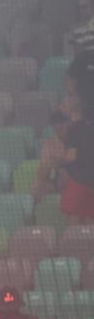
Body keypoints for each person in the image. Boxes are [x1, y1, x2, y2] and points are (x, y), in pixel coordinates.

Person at [55, 52, 94, 221]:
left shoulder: (77, 130)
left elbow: (72, 156)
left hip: (83, 183)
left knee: (76, 224)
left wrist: (58, 161)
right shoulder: (78, 127)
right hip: (84, 181)